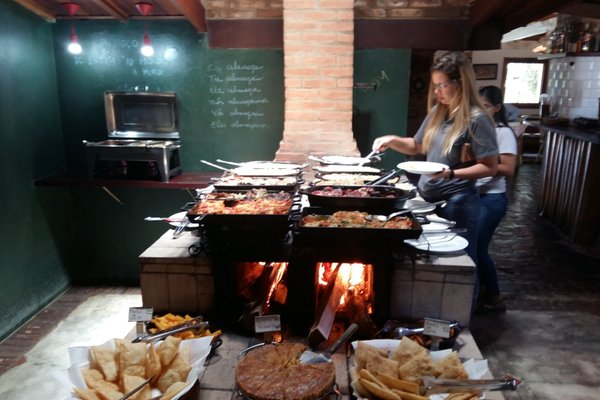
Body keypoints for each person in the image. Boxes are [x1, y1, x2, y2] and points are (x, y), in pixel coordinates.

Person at [372, 51, 499, 265]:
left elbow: (489, 167)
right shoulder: (437, 113)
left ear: (461, 83)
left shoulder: (476, 119)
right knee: (430, 262)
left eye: (443, 85)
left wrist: (450, 174)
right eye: (435, 85)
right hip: (428, 199)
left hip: (458, 202)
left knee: (459, 266)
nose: (437, 91)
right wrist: (392, 139)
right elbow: (416, 146)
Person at [475, 86, 518, 314]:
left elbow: (509, 168)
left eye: (485, 107)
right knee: (474, 247)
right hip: (476, 196)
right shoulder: (481, 129)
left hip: (492, 199)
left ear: (497, 108)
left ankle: (494, 297)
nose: (480, 111)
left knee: (479, 248)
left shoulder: (502, 132)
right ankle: (479, 293)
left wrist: (478, 167)